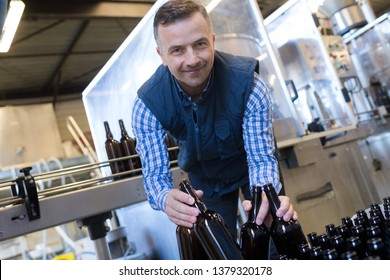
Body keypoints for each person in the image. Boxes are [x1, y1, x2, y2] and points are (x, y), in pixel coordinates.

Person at [131, 0, 297, 242]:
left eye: (200, 44)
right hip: (204, 180)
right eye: (177, 50)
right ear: (161, 55)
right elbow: (156, 178)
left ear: (213, 40)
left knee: (272, 238)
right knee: (219, 249)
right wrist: (165, 198)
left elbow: (261, 158)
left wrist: (265, 196)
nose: (192, 60)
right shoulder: (148, 104)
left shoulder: (249, 85)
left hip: (254, 169)